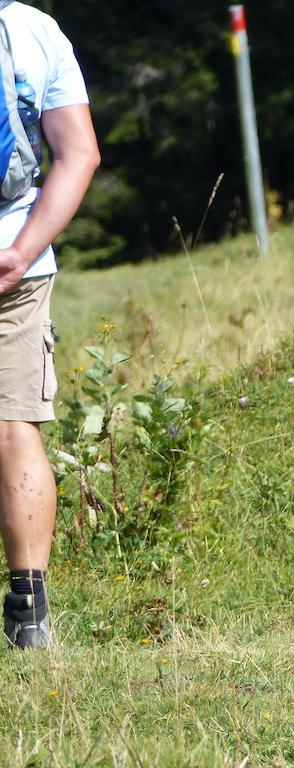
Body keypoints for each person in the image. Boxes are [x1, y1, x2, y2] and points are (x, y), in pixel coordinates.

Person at [0, 1, 99, 649]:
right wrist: (18, 253)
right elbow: (79, 154)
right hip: (12, 259)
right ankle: (28, 615)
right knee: (12, 428)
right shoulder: (32, 28)